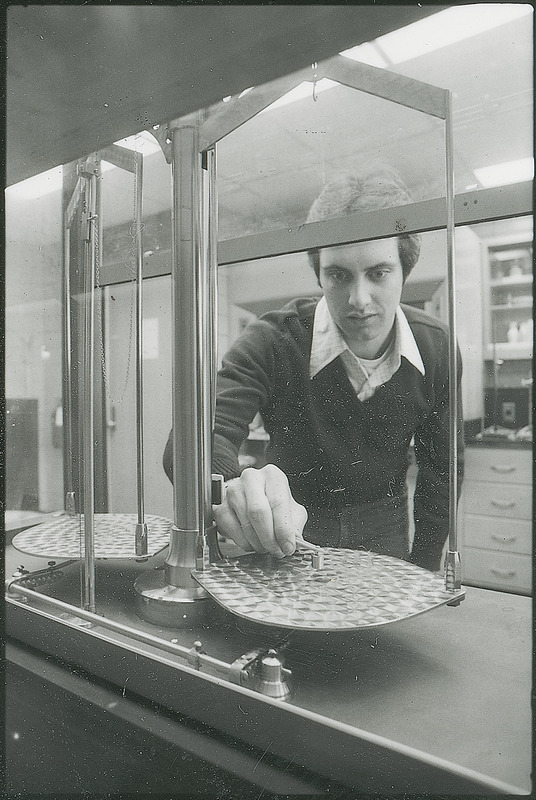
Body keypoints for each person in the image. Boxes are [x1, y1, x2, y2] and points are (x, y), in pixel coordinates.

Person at [163, 166, 464, 571]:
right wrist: (233, 489)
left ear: (404, 270)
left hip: (384, 529)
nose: (359, 299)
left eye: (378, 273)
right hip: (286, 531)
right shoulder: (272, 338)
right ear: (318, 272)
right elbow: (193, 440)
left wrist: (425, 570)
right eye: (338, 275)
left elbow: (442, 470)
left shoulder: (437, 347)